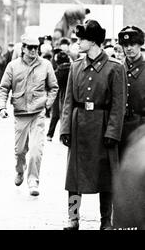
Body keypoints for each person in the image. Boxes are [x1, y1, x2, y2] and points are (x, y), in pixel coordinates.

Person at [60, 20, 127, 230]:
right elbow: (68, 100)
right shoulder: (75, 66)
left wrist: (113, 132)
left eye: (82, 39)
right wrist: (65, 128)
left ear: (94, 41)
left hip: (103, 127)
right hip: (79, 126)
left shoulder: (115, 68)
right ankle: (73, 218)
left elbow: (118, 105)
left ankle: (106, 220)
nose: (78, 43)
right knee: (74, 179)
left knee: (106, 178)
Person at [0, 33, 58, 197]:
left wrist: (47, 104)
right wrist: (2, 107)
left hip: (38, 113)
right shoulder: (13, 66)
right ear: (23, 48)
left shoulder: (45, 65)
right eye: (30, 48)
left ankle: (33, 181)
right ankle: (20, 170)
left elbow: (53, 87)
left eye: (36, 48)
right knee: (19, 151)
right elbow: (3, 88)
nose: (33, 51)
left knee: (36, 149)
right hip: (20, 113)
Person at [117, 26, 145, 159]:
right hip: (120, 129)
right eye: (125, 45)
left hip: (141, 128)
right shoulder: (117, 69)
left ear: (140, 44)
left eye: (133, 44)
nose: (129, 48)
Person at [46, 51, 71, 142]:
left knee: (55, 115)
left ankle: (50, 134)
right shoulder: (72, 70)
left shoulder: (57, 72)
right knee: (67, 116)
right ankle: (64, 135)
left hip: (58, 94)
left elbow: (51, 85)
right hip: (69, 94)